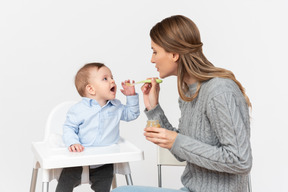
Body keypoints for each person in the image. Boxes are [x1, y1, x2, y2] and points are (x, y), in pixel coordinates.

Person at [112, 15, 252, 192]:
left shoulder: (219, 90)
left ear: (174, 54)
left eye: (155, 51)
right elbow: (183, 152)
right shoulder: (188, 92)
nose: (152, 60)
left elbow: (240, 160)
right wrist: (153, 108)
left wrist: (176, 140)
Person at [56, 62, 140, 192]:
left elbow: (131, 114)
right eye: (105, 78)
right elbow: (69, 128)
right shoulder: (79, 109)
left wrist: (131, 96)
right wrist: (73, 142)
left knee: (104, 186)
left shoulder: (116, 107)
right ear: (91, 89)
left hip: (104, 160)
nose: (112, 81)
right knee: (65, 182)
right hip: (78, 157)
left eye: (112, 77)